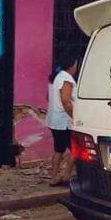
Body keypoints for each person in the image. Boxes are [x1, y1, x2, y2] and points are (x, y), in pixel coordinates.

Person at [46, 54, 78, 187]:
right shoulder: (66, 78)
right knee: (76, 150)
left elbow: (48, 97)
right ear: (71, 66)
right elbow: (66, 101)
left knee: (58, 150)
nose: (76, 67)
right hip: (64, 122)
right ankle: (66, 176)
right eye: (76, 64)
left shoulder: (56, 78)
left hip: (54, 120)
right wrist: (74, 117)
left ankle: (54, 178)